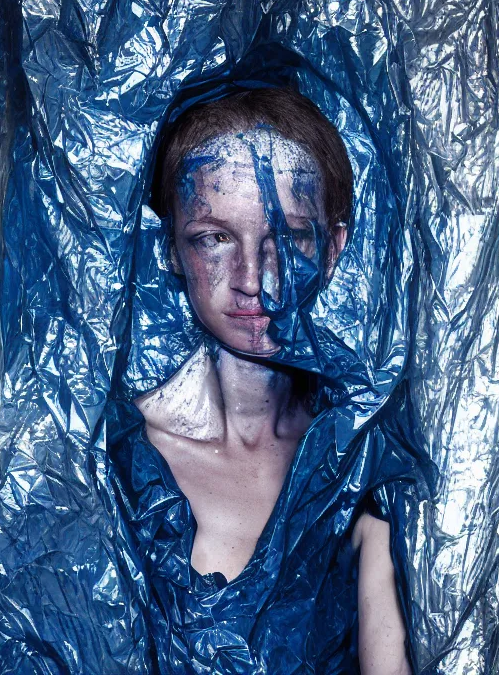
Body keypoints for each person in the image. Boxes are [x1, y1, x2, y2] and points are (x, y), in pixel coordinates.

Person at [133, 87, 412, 674]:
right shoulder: (118, 465)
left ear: (333, 248)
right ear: (173, 250)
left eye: (287, 238)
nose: (252, 279)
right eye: (214, 238)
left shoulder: (357, 473)